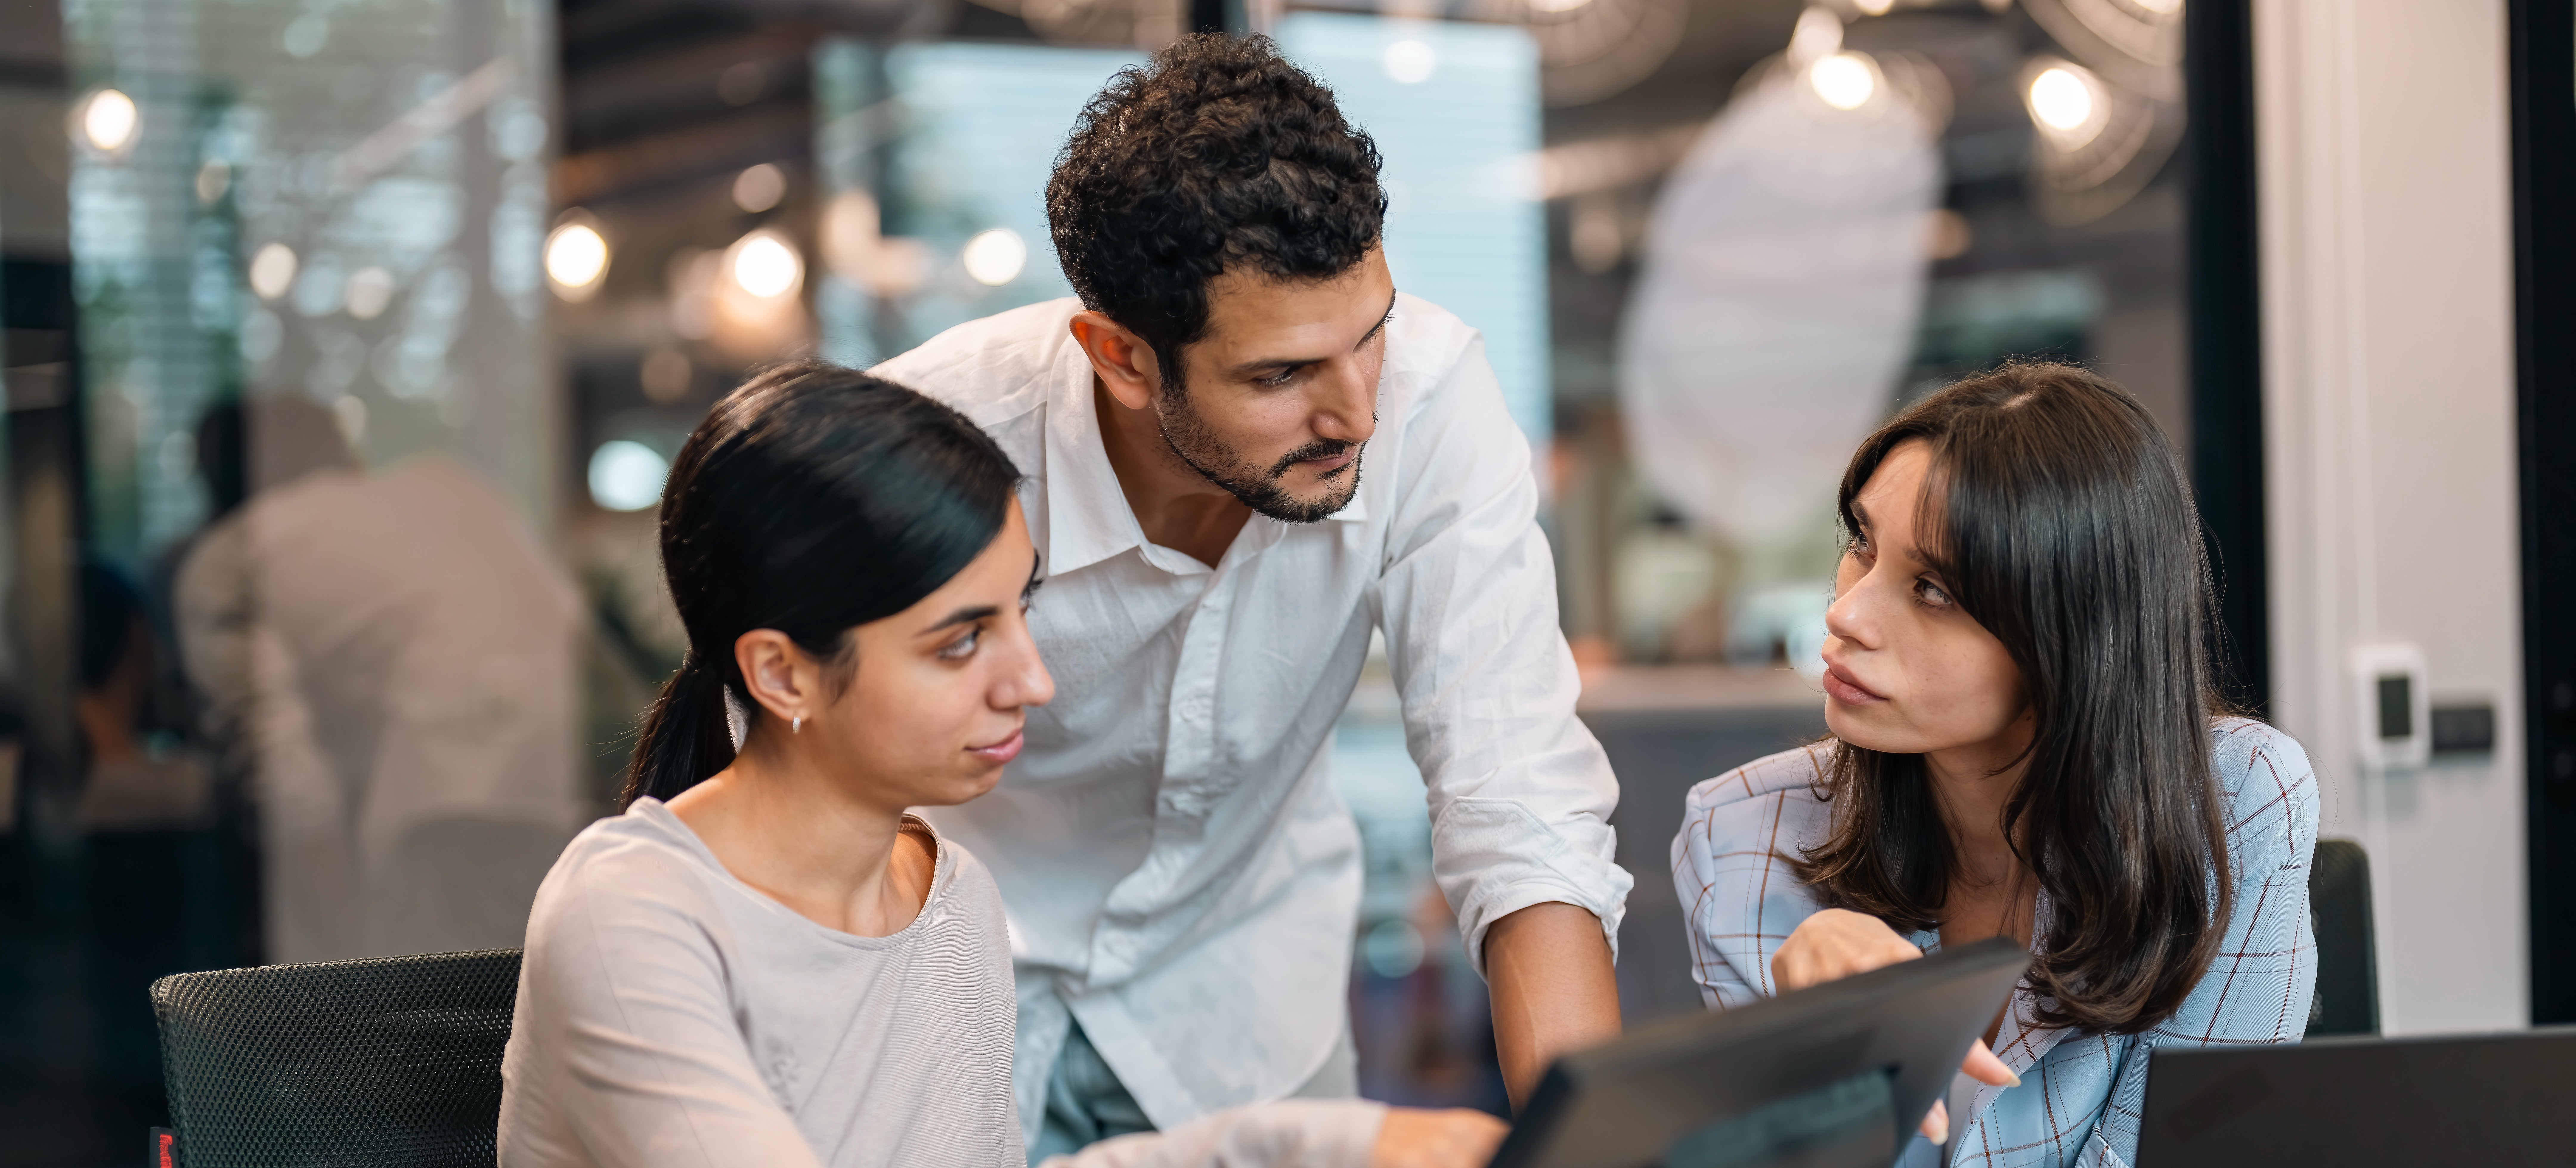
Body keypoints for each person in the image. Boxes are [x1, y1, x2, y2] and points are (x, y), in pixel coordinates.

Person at [869, 35, 1626, 1156]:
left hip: (1243, 1002)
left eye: (1369, 336)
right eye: (1280, 377)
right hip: (937, 992)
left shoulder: (1428, 396)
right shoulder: (929, 438)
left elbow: (1515, 799)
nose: (1358, 414)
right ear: (1120, 357)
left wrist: (1591, 1146)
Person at [498, 363, 1506, 1168]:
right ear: (783, 673)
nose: (1031, 679)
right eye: (958, 642)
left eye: (1021, 608)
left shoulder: (950, 891)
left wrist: (1331, 1144)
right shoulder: (634, 914)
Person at [1670, 364, 2318, 1167]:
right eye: (1862, 547)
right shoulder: (1741, 842)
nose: (1844, 613)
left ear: (2072, 640)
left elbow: (2197, 1151)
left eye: (1933, 589)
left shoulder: (2233, 800)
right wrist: (1817, 1051)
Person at [174, 398, 585, 961]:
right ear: (344, 451)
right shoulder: (453, 490)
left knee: (436, 1027)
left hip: (442, 811)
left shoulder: (229, 556)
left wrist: (355, 970)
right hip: (577, 784)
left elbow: (289, 784)